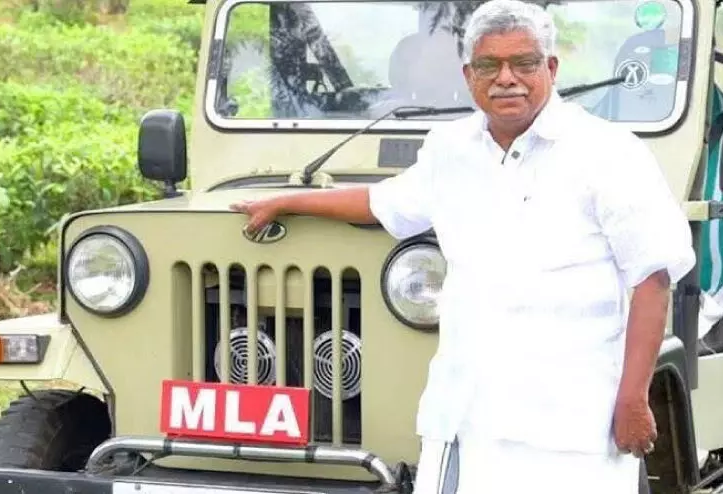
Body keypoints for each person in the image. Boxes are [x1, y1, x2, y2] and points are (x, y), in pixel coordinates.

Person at [230, 0, 696, 492]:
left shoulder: (608, 153)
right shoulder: (450, 150)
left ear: (552, 68)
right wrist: (288, 201)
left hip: (568, 427)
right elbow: (383, 202)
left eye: (524, 63)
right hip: (466, 419)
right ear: (469, 75)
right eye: (489, 65)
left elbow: (653, 279)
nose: (506, 79)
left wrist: (633, 399)